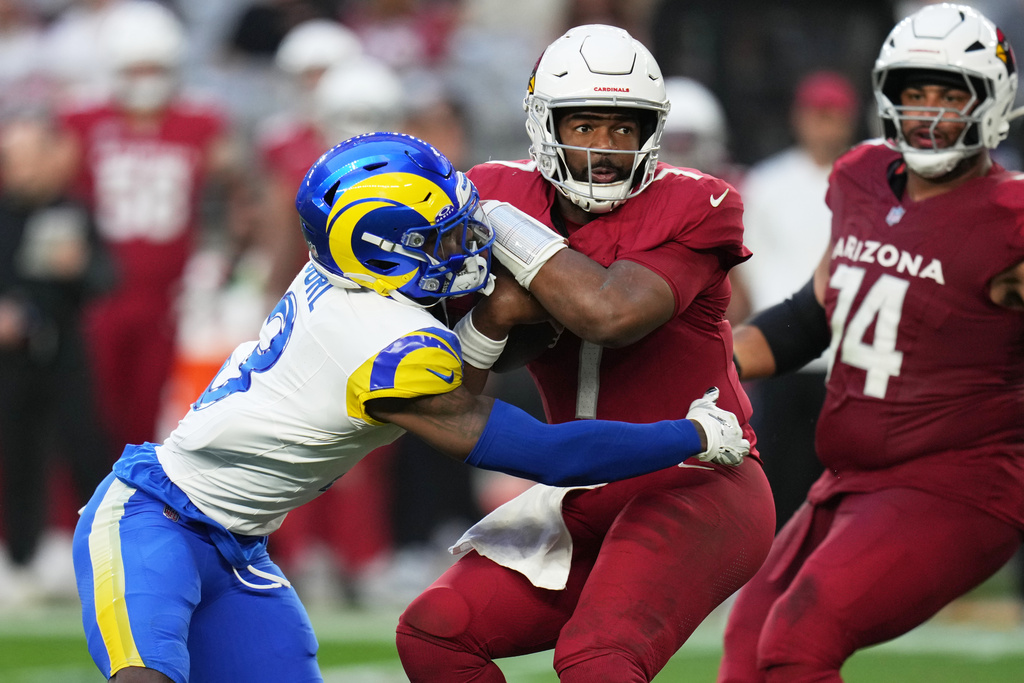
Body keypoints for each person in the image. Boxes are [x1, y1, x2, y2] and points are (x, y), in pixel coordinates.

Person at [72, 131, 753, 683]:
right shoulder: (379, 340)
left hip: (237, 545)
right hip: (150, 519)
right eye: (443, 236)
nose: (466, 246)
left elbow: (453, 375)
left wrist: (488, 323)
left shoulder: (343, 281)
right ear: (385, 251)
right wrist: (688, 432)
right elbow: (546, 453)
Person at [396, 24, 776, 682]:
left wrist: (499, 225)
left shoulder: (697, 201)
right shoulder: (497, 186)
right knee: (436, 632)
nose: (604, 148)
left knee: (597, 658)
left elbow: (610, 313)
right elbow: (459, 388)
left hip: (698, 474)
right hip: (582, 484)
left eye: (623, 129)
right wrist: (493, 312)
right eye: (585, 126)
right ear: (545, 125)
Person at [717, 5, 1024, 682]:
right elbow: (811, 315)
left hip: (954, 483)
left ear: (993, 101)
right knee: (750, 637)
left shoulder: (1010, 219)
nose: (930, 112)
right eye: (916, 93)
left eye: (951, 94)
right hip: (851, 480)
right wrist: (708, 367)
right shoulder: (860, 177)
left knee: (800, 637)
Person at [58, 1, 243, 449]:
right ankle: (72, 511)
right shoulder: (80, 120)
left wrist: (220, 255)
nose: (146, 81)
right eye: (135, 69)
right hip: (97, 289)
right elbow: (59, 196)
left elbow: (237, 194)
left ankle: (132, 507)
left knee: (150, 411)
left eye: (155, 68)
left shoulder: (202, 121)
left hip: (170, 291)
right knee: (87, 407)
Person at [730, 70, 860, 531]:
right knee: (780, 482)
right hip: (782, 351)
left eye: (833, 117)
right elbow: (746, 264)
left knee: (837, 486)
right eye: (817, 116)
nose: (825, 127)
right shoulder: (766, 184)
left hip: (844, 359)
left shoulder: (864, 184)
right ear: (799, 118)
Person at [0, 116, 113, 603]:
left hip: (64, 354)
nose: (16, 169)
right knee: (16, 456)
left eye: (25, 157)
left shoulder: (71, 210)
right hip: (11, 361)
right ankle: (18, 558)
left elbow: (108, 276)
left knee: (86, 451)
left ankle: (105, 554)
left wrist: (80, 268)